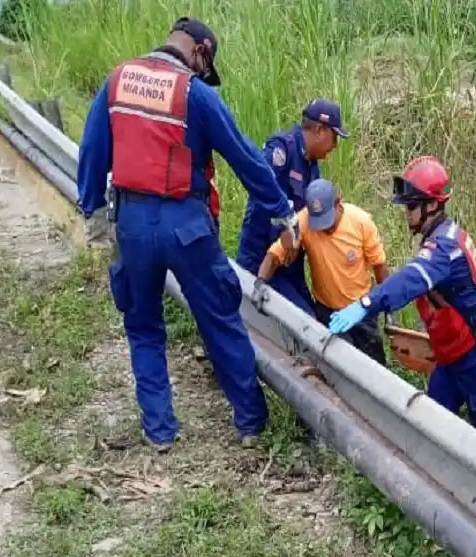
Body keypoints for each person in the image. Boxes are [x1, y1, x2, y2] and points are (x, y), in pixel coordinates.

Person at [76, 17, 298, 453]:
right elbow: (245, 157)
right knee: (220, 320)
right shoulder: (195, 94)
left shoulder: (118, 81)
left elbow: (92, 148)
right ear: (199, 51)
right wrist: (281, 211)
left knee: (143, 326)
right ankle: (250, 423)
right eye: (205, 65)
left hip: (132, 225)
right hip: (187, 227)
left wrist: (93, 210)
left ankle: (159, 431)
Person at [328, 156, 476, 452]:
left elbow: (411, 279)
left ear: (432, 205)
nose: (407, 213)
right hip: (455, 354)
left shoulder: (445, 248)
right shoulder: (442, 236)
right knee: (433, 421)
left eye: (411, 207)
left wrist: (366, 303)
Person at [255, 179, 390, 364]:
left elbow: (380, 265)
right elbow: (274, 255)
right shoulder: (304, 221)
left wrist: (387, 306)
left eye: (328, 222)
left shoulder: (360, 222)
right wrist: (260, 282)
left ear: (338, 204)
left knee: (374, 363)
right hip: (328, 311)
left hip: (360, 309)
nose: (324, 229)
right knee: (340, 363)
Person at [235, 98, 348, 317]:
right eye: (334, 137)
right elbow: (261, 191)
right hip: (261, 255)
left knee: (312, 316)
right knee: (296, 319)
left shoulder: (312, 167)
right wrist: (285, 224)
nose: (334, 146)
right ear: (320, 130)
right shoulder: (282, 150)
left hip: (290, 263)